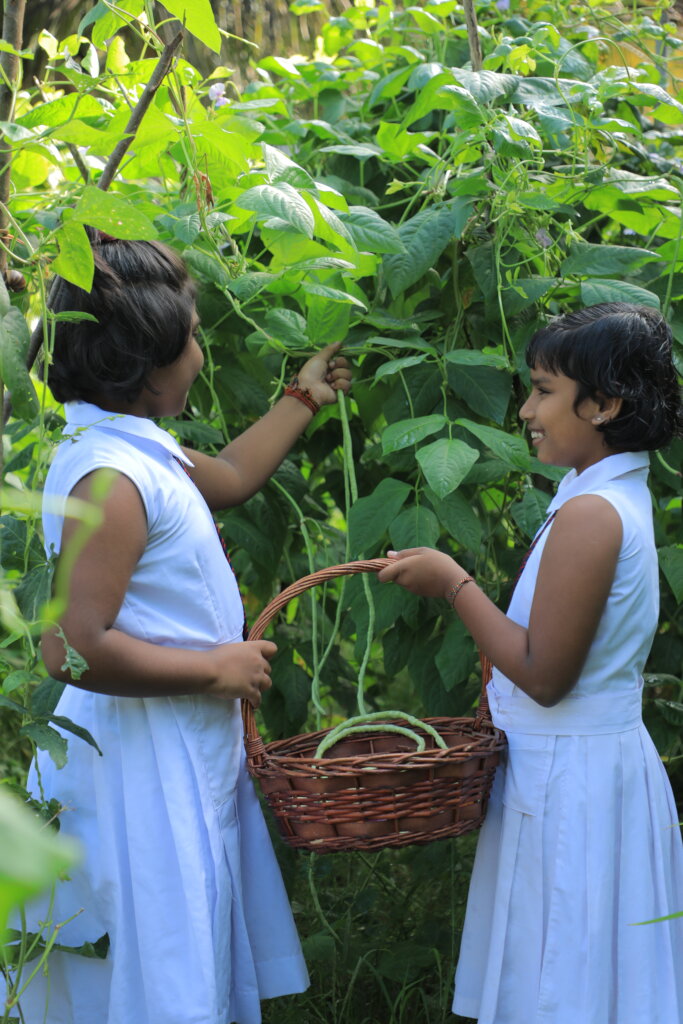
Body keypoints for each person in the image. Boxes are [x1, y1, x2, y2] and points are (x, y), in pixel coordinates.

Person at [19, 231, 351, 1024]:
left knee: (179, 939)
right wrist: (214, 669)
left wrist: (302, 397)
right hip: (140, 758)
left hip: (167, 738)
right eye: (193, 337)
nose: (201, 353)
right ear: (144, 362)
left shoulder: (132, 446)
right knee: (158, 952)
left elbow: (229, 479)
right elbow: (71, 646)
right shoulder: (111, 477)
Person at [378, 303, 683, 1024]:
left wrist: (453, 583)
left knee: (562, 973)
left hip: (571, 781)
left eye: (543, 390)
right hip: (582, 767)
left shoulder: (591, 514)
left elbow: (544, 677)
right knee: (576, 970)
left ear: (603, 404)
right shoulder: (601, 495)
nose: (523, 408)